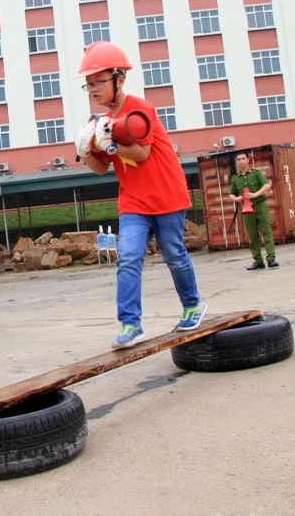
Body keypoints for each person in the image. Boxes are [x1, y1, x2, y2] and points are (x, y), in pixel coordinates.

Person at [73, 41, 206, 349]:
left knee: (173, 253)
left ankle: (193, 305)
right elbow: (101, 168)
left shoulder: (139, 110)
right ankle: (130, 324)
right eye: (88, 84)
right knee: (129, 257)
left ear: (119, 78)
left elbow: (142, 153)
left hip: (166, 195)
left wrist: (107, 144)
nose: (92, 89)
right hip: (134, 201)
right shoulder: (103, 122)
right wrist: (83, 151)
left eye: (98, 82)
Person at [227, 152, 279, 270]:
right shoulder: (236, 178)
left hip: (260, 205)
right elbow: (231, 193)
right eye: (239, 159)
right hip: (246, 208)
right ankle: (258, 260)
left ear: (248, 160)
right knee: (252, 234)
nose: (241, 161)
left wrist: (255, 194)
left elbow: (266, 185)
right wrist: (236, 198)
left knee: (266, 232)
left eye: (243, 159)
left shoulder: (256, 173)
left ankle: (271, 258)